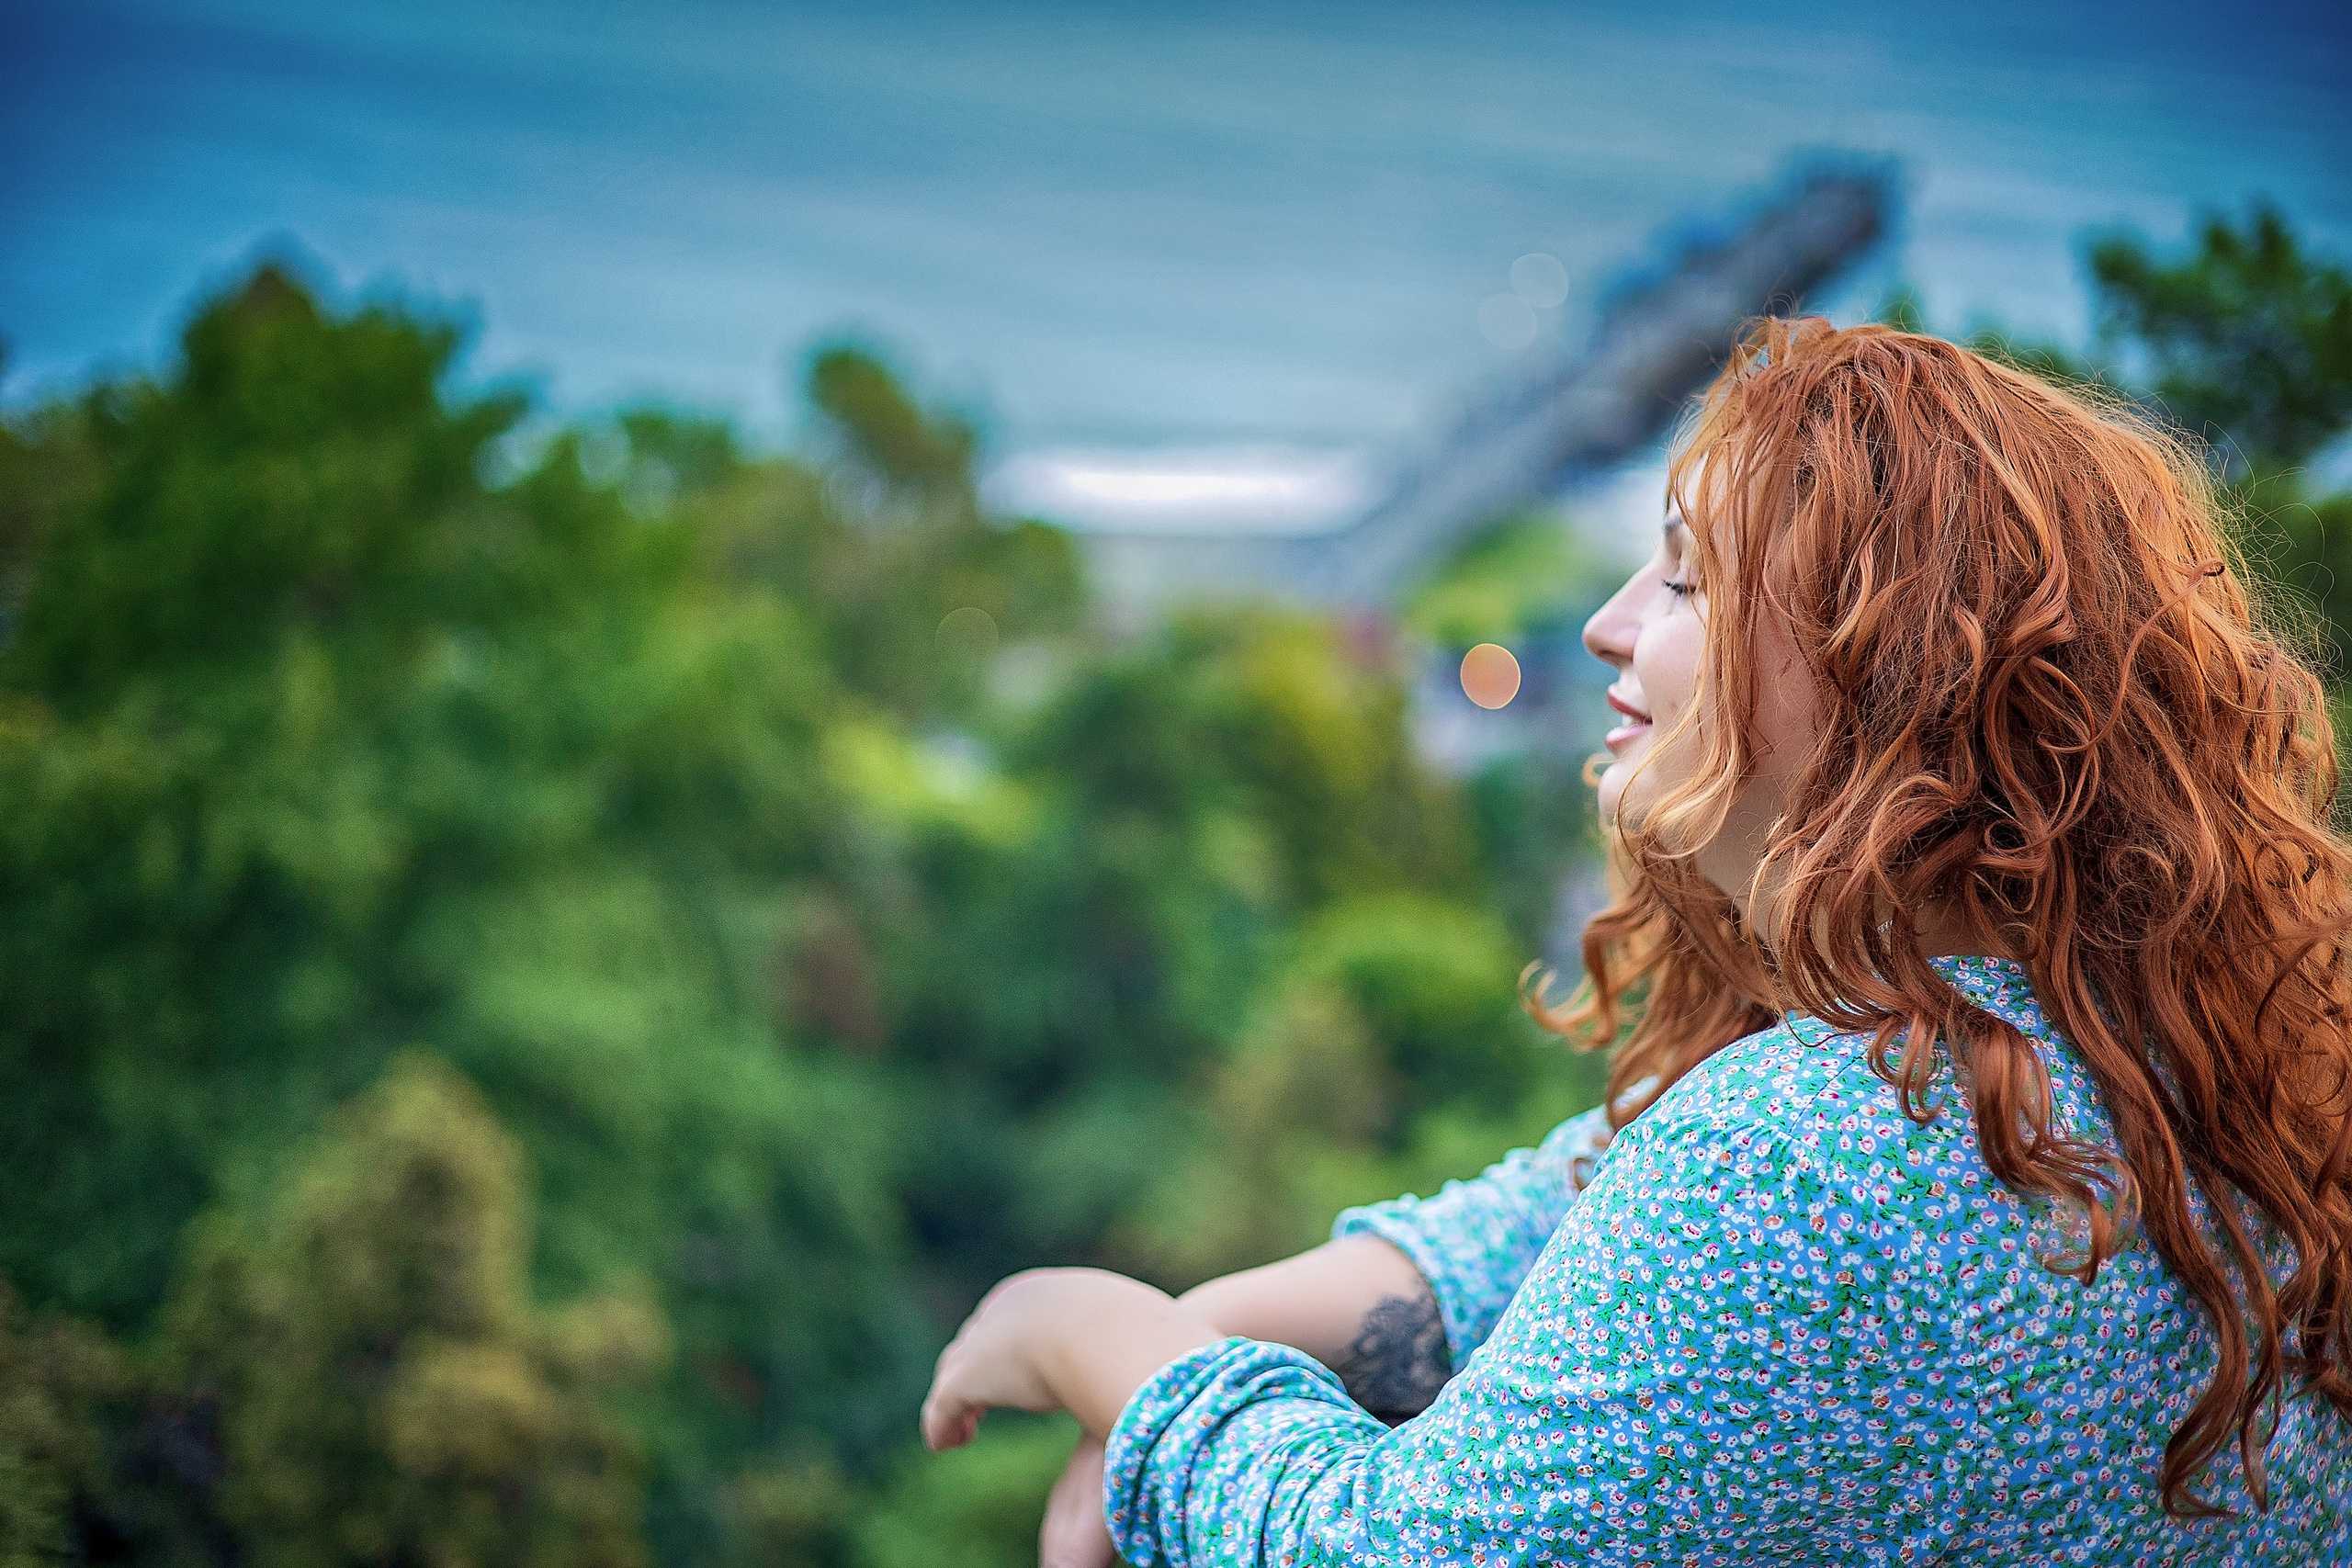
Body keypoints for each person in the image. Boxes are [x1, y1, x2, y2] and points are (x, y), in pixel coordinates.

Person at [921, 319, 2352, 1564]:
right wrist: (1219, 1318)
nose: (1607, 631)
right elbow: (1575, 1231)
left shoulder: (1829, 1143)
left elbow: (1377, 1552)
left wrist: (1096, 1337)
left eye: (1685, 583)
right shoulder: (2178, 1042)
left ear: (1885, 680)